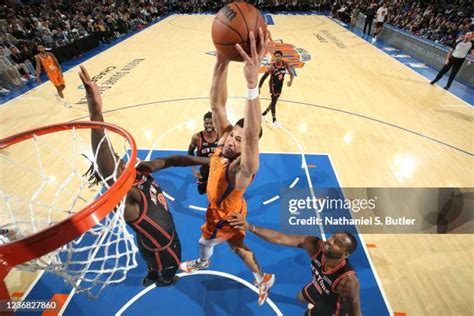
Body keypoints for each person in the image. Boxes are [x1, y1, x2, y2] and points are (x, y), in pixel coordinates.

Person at [78, 66, 210, 287]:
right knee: (167, 272)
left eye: (119, 157)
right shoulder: (129, 196)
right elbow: (107, 167)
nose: (120, 160)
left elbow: (172, 161)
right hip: (166, 245)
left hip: (148, 240)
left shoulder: (142, 170)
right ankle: (164, 280)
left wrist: (204, 160)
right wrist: (96, 116)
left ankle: (151, 275)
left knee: (148, 257)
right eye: (117, 162)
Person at [179, 29, 275, 306]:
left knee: (204, 243)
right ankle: (263, 278)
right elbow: (216, 102)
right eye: (233, 135)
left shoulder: (242, 168)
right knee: (237, 246)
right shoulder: (227, 140)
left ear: (250, 145)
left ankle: (202, 262)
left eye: (240, 139)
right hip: (234, 209)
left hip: (222, 214)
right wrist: (220, 61)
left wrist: (251, 84)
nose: (232, 140)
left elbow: (252, 133)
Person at [229, 214, 362, 316]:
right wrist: (251, 227)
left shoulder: (348, 282)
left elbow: (355, 310)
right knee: (300, 297)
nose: (330, 241)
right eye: (333, 236)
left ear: (345, 255)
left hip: (331, 306)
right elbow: (280, 238)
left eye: (338, 243)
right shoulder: (316, 246)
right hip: (318, 286)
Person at [259, 50, 294, 128]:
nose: (277, 58)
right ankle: (274, 120)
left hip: (280, 85)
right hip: (273, 85)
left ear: (281, 56)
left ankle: (263, 114)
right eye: (276, 56)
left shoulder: (285, 64)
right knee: (274, 102)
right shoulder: (272, 67)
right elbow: (263, 77)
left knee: (273, 101)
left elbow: (291, 73)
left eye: (279, 56)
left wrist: (291, 81)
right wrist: (259, 87)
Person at [188, 111, 219, 195]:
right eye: (206, 123)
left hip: (218, 168)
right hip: (204, 169)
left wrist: (216, 157)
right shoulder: (197, 137)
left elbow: (227, 153)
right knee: (201, 191)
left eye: (211, 123)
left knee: (218, 192)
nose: (208, 125)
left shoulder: (220, 136)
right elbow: (190, 152)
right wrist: (194, 170)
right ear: (203, 124)